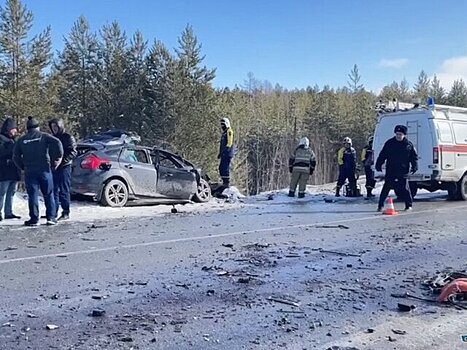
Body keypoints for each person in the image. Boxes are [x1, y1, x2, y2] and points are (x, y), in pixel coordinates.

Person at [13, 116, 63, 226]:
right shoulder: (44, 136)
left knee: (33, 195)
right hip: (44, 169)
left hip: (30, 171)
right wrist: (57, 159)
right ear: (38, 127)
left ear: (28, 128)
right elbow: (58, 143)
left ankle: (34, 219)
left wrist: (22, 166)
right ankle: (51, 217)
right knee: (49, 194)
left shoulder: (22, 140)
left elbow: (15, 156)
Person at [375, 125, 418, 211]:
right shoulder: (389, 143)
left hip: (403, 170)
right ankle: (380, 205)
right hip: (391, 169)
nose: (398, 136)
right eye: (397, 134)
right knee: (386, 187)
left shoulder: (408, 145)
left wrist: (414, 166)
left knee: (405, 188)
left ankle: (408, 205)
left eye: (400, 134)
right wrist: (378, 164)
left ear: (404, 135)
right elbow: (382, 154)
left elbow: (413, 157)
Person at [49, 118, 77, 221]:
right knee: (54, 190)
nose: (54, 129)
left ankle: (66, 211)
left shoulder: (68, 137)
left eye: (56, 127)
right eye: (52, 127)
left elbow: (73, 152)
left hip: (65, 166)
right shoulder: (52, 138)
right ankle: (53, 211)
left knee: (64, 190)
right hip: (54, 167)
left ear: (60, 126)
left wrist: (63, 161)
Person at [0, 117, 21, 221]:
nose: (15, 131)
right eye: (14, 129)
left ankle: (8, 212)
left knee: (11, 192)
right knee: (2, 193)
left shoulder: (14, 140)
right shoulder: (1, 139)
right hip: (4, 171)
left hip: (14, 170)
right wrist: (11, 148)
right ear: (9, 129)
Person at [218, 117, 234, 188]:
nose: (222, 126)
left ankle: (226, 183)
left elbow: (229, 143)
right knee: (221, 167)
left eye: (223, 124)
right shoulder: (224, 133)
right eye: (221, 124)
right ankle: (224, 181)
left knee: (225, 167)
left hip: (227, 153)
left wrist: (225, 151)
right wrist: (220, 153)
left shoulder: (229, 131)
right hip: (223, 154)